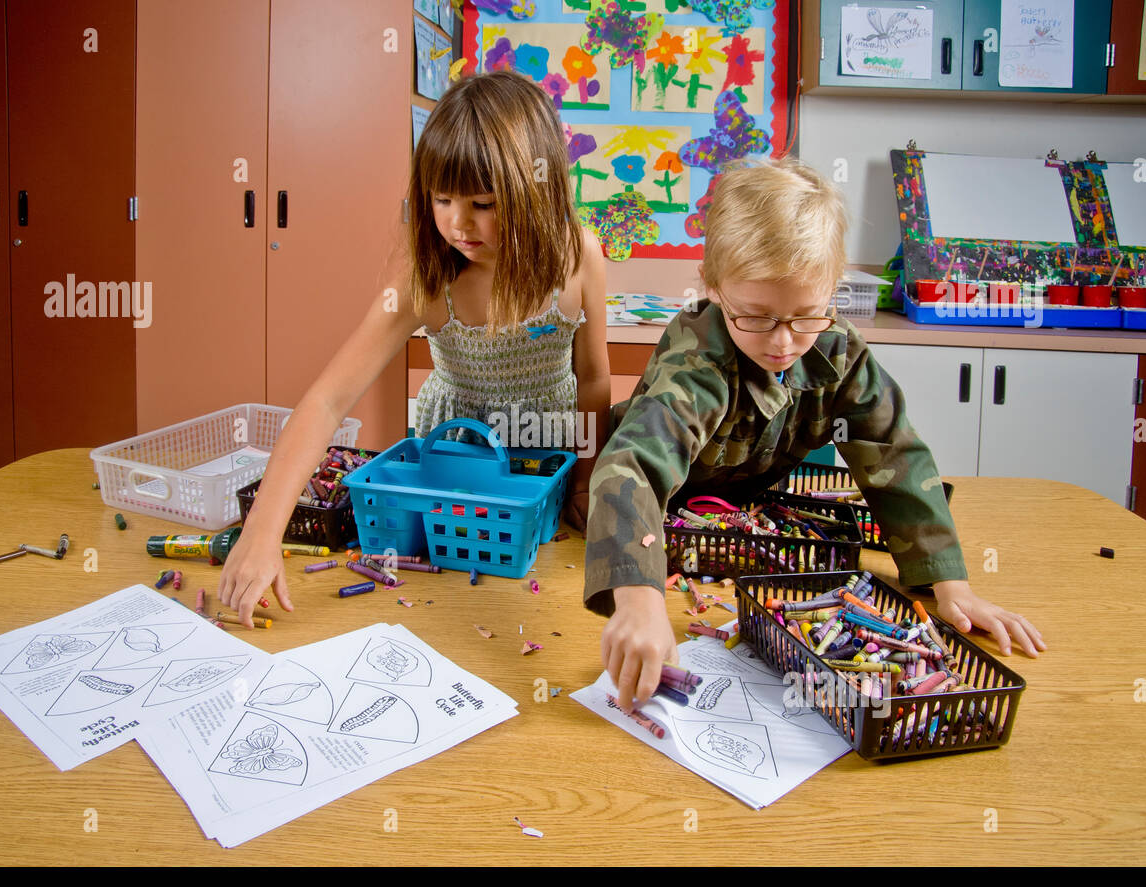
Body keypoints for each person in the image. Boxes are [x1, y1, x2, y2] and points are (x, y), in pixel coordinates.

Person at [584, 158, 1044, 710]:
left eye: (807, 315)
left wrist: (951, 586)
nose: (783, 342)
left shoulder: (840, 349)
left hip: (746, 521)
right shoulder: (696, 357)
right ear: (712, 288)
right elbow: (632, 466)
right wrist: (638, 599)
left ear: (833, 289)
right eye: (754, 317)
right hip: (655, 522)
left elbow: (894, 452)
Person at [220, 70, 609, 627]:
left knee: (540, 608)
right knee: (443, 609)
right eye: (441, 198)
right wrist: (262, 531)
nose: (457, 222)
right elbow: (329, 401)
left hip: (542, 464)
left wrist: (585, 477)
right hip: (449, 466)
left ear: (535, 189)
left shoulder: (578, 257)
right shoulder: (424, 278)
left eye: (482, 202)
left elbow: (594, 379)